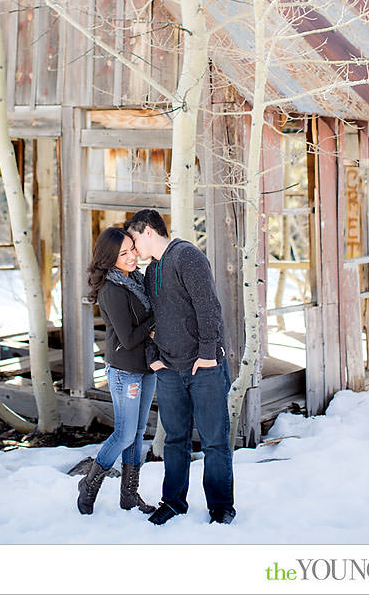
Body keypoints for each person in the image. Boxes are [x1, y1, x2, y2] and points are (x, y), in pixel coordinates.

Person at [124, 209, 236, 526]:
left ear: (147, 231)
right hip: (169, 369)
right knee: (175, 440)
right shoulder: (151, 272)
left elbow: (208, 307)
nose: (133, 248)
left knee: (214, 440)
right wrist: (152, 356)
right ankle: (173, 502)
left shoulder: (187, 256)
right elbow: (149, 320)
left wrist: (207, 353)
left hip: (205, 367)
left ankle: (221, 507)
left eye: (133, 239)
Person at [77, 227, 157, 515]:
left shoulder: (135, 278)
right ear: (110, 258)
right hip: (125, 372)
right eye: (123, 253)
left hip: (146, 368)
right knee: (124, 434)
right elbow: (129, 338)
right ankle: (89, 485)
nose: (132, 256)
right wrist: (155, 323)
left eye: (132, 249)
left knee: (137, 433)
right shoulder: (112, 289)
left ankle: (129, 495)